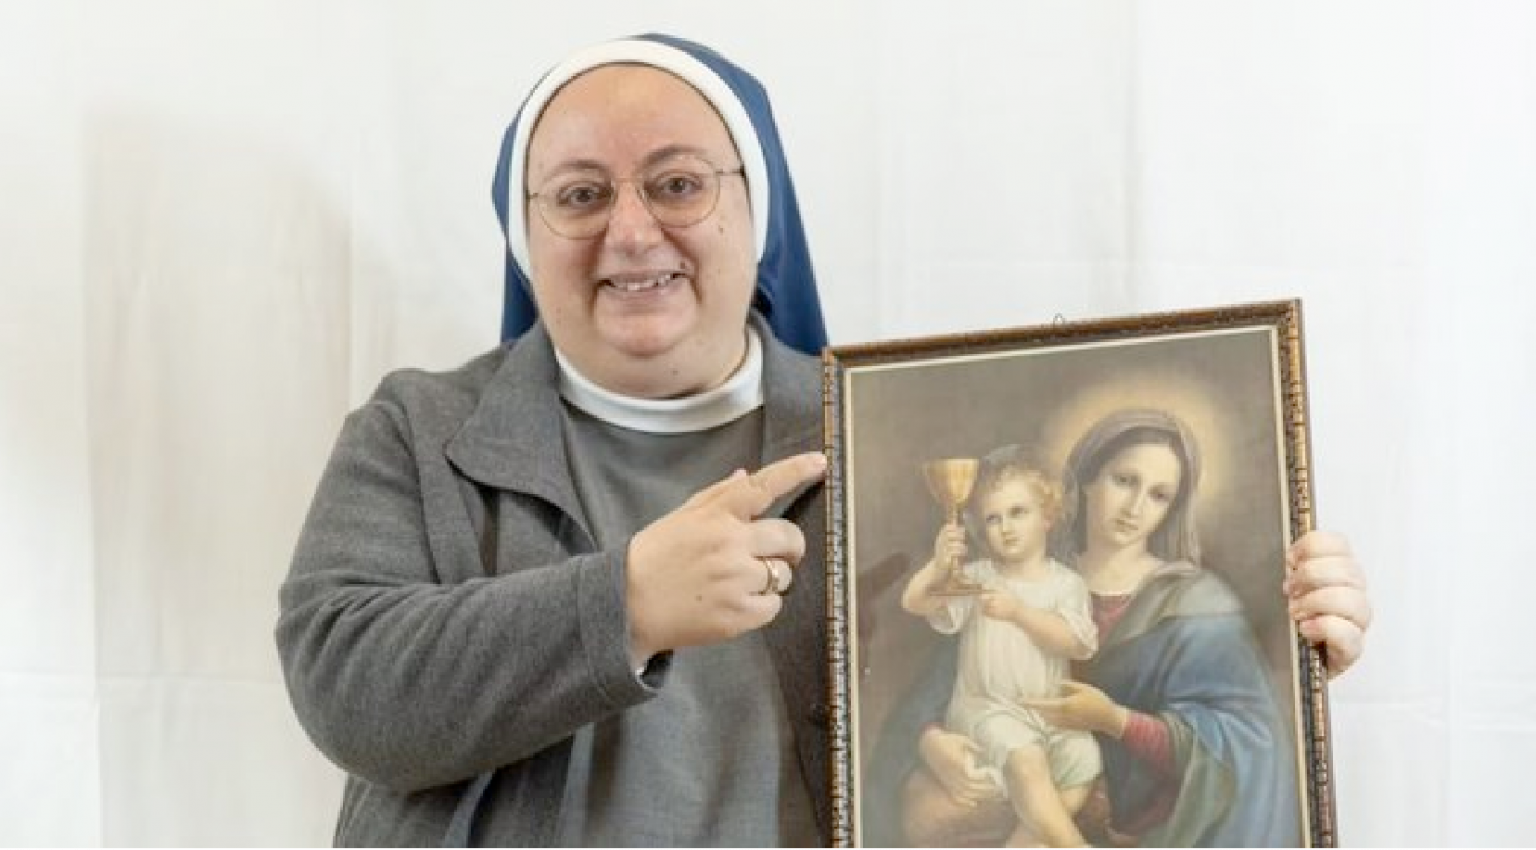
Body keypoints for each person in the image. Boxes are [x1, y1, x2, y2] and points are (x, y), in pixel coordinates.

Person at [273, 32, 1374, 850]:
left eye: (677, 183)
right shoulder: (420, 432)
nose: (631, 229)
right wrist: (628, 603)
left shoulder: (879, 438)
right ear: (526, 233)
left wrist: (1268, 630)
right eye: (579, 193)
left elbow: (1053, 656)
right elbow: (346, 689)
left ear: (758, 213)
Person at [893, 408, 1343, 848]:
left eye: (1159, 495)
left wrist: (1116, 722)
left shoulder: (1198, 604)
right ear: (1088, 479)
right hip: (1002, 782)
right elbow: (939, 687)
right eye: (1125, 481)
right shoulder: (1018, 572)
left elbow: (1251, 743)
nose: (1135, 508)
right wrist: (930, 741)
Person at [900, 445, 1100, 849]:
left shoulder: (1068, 585)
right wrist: (938, 566)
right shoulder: (978, 577)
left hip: (1048, 715)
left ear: (1048, 517)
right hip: (986, 711)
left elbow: (1077, 644)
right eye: (993, 518)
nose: (1005, 527)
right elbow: (914, 603)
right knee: (1025, 756)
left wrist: (1019, 612)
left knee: (1085, 757)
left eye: (1017, 512)